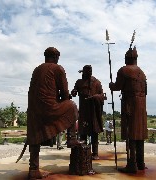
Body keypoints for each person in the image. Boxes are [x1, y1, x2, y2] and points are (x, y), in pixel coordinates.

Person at [27, 47, 82, 179]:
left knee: (35, 135)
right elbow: (64, 94)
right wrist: (68, 96)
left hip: (34, 110)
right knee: (72, 106)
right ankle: (71, 138)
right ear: (56, 57)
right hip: (49, 109)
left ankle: (33, 168)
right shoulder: (58, 69)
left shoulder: (37, 69)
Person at [109, 46, 148, 173]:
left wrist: (112, 86)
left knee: (131, 133)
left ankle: (132, 164)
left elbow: (118, 86)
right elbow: (145, 91)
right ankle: (141, 163)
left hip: (130, 104)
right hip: (142, 105)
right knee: (139, 135)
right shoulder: (142, 73)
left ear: (127, 58)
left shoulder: (124, 70)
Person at [71, 65, 106, 160]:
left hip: (93, 111)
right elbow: (74, 92)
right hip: (83, 111)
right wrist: (74, 92)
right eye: (86, 71)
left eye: (90, 71)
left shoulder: (96, 82)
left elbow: (102, 95)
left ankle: (95, 153)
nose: (88, 73)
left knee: (94, 132)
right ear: (83, 72)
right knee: (83, 132)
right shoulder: (79, 82)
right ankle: (83, 153)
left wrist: (95, 97)